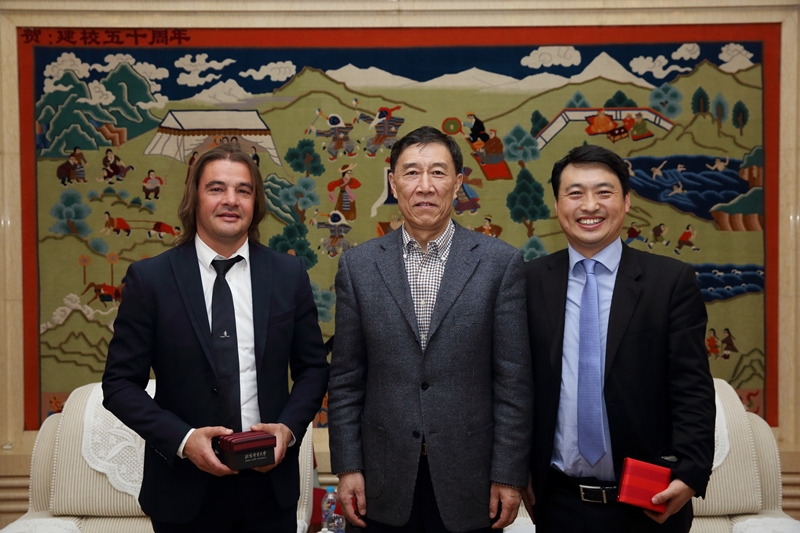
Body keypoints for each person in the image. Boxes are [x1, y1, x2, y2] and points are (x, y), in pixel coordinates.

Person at [102, 144, 329, 533]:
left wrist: (288, 430)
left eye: (243, 190)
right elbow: (120, 384)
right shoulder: (150, 280)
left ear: (255, 202)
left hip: (269, 488)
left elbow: (312, 369)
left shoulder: (288, 275)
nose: (231, 200)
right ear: (194, 198)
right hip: (183, 492)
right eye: (217, 188)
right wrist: (184, 439)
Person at [329, 126, 533, 533]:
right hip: (380, 480)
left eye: (438, 172)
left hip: (471, 480)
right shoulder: (358, 266)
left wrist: (508, 474)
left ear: (457, 183)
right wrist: (348, 466)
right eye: (411, 173)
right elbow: (346, 378)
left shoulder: (500, 264)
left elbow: (513, 382)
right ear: (393, 183)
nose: (425, 186)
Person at [524, 144, 715, 533]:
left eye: (604, 192)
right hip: (557, 503)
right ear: (557, 205)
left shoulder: (670, 282)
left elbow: (692, 388)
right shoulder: (528, 282)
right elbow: (513, 385)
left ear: (626, 201)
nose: (589, 205)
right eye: (575, 193)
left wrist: (691, 474)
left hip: (648, 502)